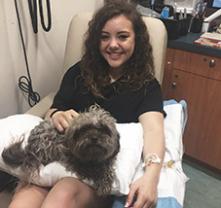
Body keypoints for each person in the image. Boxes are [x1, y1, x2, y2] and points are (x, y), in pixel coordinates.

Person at [8, 1, 165, 208]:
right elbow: (55, 108)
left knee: (64, 192)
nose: (113, 44)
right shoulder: (77, 73)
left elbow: (153, 129)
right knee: (24, 199)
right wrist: (56, 115)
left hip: (94, 173)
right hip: (59, 159)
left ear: (137, 40)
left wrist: (151, 177)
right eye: (104, 37)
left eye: (123, 36)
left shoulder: (147, 86)